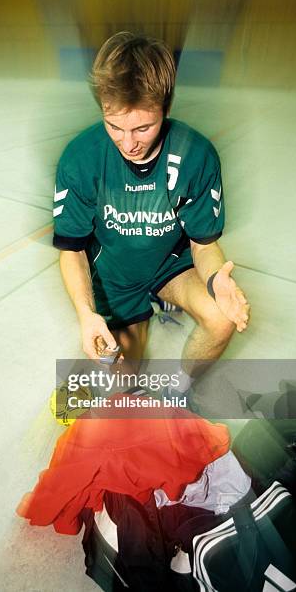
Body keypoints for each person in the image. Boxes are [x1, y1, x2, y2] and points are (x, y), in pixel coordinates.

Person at [52, 31, 250, 390]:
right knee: (119, 376)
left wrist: (214, 279)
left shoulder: (197, 155)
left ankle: (180, 388)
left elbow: (204, 245)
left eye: (143, 127)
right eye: (114, 126)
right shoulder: (80, 158)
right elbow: (72, 249)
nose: (129, 143)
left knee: (221, 317)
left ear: (167, 108)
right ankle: (133, 322)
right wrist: (86, 314)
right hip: (115, 276)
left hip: (171, 265)